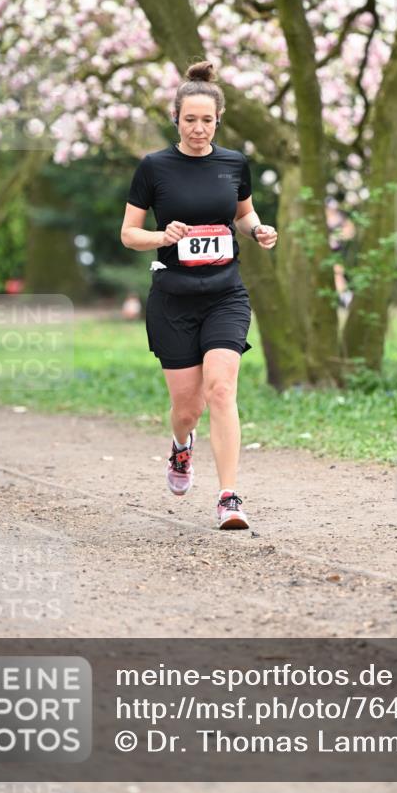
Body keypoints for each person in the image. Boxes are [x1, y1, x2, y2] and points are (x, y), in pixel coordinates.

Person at [121, 61, 277, 530]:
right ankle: (181, 445)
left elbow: (244, 217)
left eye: (206, 120)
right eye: (190, 119)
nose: (198, 128)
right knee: (188, 408)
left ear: (218, 120)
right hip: (173, 298)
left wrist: (259, 229)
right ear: (176, 119)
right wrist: (161, 236)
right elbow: (129, 234)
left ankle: (229, 497)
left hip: (225, 293)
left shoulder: (234, 165)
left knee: (222, 388)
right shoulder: (154, 167)